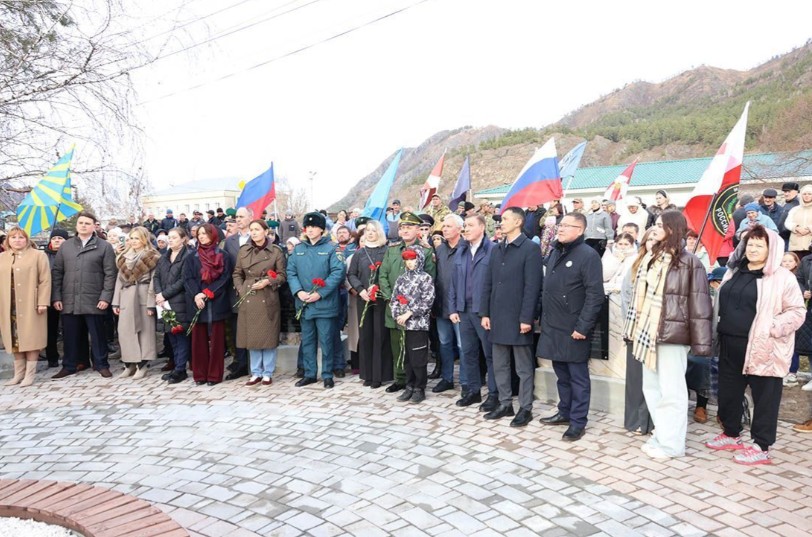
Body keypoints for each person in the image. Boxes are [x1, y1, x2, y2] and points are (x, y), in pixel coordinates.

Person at [706, 225, 804, 465]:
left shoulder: (783, 277)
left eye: (759, 245)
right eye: (750, 244)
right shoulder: (733, 271)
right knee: (729, 394)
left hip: (765, 348)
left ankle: (761, 446)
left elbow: (797, 311)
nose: (753, 249)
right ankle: (731, 434)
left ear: (771, 249)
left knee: (765, 399)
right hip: (730, 344)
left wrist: (773, 327)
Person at [624, 210, 712, 458]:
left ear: (673, 228)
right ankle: (661, 435)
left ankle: (672, 445)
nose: (655, 227)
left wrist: (702, 343)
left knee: (672, 391)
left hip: (673, 333)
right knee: (652, 388)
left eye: (661, 224)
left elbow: (701, 304)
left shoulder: (689, 261)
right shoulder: (652, 256)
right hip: (647, 333)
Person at [537, 212, 604, 441]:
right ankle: (564, 411)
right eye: (560, 224)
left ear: (581, 230)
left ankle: (578, 421)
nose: (561, 229)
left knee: (577, 377)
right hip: (553, 324)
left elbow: (595, 295)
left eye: (567, 225)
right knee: (562, 375)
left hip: (574, 327)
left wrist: (583, 326)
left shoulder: (588, 255)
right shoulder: (556, 250)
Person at [481, 207, 543, 427]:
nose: (501, 223)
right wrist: (485, 312)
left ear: (518, 222)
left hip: (518, 318)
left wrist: (527, 318)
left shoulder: (530, 249)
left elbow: (533, 286)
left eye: (505, 219)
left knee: (523, 368)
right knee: (500, 364)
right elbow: (488, 282)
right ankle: (505, 403)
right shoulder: (497, 249)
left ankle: (525, 408)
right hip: (497, 316)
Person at [52, 211, 117, 379]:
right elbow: (57, 272)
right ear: (76, 225)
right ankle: (70, 365)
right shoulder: (66, 246)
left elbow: (110, 274)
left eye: (87, 223)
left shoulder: (104, 246)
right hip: (69, 298)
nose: (83, 225)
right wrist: (57, 297)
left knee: (97, 335)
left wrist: (105, 297)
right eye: (81, 223)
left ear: (94, 226)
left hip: (94, 298)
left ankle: (101, 364)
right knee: (71, 335)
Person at [287, 211, 346, 389]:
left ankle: (327, 374)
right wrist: (298, 291)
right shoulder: (298, 249)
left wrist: (320, 293)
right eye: (308, 226)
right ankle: (309, 374)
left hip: (324, 303)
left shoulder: (331, 248)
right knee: (308, 339)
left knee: (327, 340)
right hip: (304, 303)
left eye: (314, 226)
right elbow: (291, 272)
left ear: (322, 229)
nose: (310, 229)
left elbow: (338, 273)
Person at [379, 211, 437, 393]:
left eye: (409, 227)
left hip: (415, 312)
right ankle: (401, 378)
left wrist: (410, 308)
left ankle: (417, 384)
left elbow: (430, 279)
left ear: (418, 229)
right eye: (402, 227)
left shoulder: (426, 251)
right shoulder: (392, 249)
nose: (405, 230)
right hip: (394, 307)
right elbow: (383, 276)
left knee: (416, 349)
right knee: (397, 345)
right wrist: (391, 299)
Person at [450, 214, 497, 409]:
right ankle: (473, 391)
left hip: (483, 312)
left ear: (482, 227)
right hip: (464, 311)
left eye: (470, 225)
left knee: (490, 354)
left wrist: (489, 312)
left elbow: (496, 284)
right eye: (464, 226)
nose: (465, 229)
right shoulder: (461, 251)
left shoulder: (493, 251)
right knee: (468, 352)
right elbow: (453, 283)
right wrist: (453, 308)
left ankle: (495, 394)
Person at [233, 219, 287, 387]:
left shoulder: (276, 251)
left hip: (267, 295)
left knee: (268, 336)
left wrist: (268, 281)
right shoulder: (244, 250)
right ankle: (255, 371)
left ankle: (267, 372)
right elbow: (237, 273)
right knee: (252, 336)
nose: (254, 232)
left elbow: (282, 275)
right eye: (252, 230)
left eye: (257, 229)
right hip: (249, 294)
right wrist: (242, 289)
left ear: (265, 231)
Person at [183, 223, 233, 386]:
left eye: (205, 233)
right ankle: (200, 374)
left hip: (216, 301)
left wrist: (208, 293)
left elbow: (224, 278)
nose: (202, 236)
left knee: (217, 341)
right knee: (198, 341)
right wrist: (197, 295)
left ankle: (214, 375)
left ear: (212, 235)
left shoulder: (222, 255)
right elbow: (188, 278)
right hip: (197, 302)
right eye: (199, 234)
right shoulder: (191, 256)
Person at [0, 227, 50, 387]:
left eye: (21, 237)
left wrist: (42, 301)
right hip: (8, 303)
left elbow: (45, 280)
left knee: (31, 337)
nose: (17, 240)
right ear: (8, 240)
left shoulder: (38, 256)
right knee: (14, 338)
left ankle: (30, 374)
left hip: (30, 303)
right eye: (13, 237)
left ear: (27, 239)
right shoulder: (3, 257)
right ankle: (18, 374)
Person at [621, 228, 658, 435]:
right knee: (635, 379)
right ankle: (635, 420)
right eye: (649, 238)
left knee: (653, 379)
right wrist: (631, 326)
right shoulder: (635, 265)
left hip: (655, 332)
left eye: (657, 237)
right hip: (635, 331)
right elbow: (626, 295)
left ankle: (651, 421)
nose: (653, 241)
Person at [347, 220, 392, 389]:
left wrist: (379, 287)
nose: (371, 233)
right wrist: (360, 290)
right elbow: (351, 274)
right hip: (364, 299)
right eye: (368, 231)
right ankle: (367, 373)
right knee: (365, 335)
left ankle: (380, 375)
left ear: (379, 232)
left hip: (380, 299)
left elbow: (389, 273)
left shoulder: (387, 251)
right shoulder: (360, 253)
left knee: (380, 335)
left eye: (374, 230)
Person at [112, 227, 161, 379]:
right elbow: (119, 281)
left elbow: (154, 280)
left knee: (144, 332)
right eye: (132, 238)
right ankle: (129, 364)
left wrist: (151, 303)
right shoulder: (122, 257)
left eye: (137, 238)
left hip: (143, 296)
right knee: (125, 332)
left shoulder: (152, 256)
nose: (134, 241)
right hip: (126, 296)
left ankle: (143, 364)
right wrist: (116, 303)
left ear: (144, 239)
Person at [390, 248, 435, 404]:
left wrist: (409, 313)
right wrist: (397, 315)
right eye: (407, 260)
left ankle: (419, 387)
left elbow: (427, 302)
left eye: (413, 259)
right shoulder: (401, 279)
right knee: (407, 357)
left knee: (418, 357)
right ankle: (409, 385)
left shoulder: (425, 278)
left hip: (418, 325)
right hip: (403, 325)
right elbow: (394, 298)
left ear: (419, 260)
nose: (410, 263)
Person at [154, 227, 192, 384]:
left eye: (174, 237)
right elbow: (156, 276)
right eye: (169, 237)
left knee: (180, 335)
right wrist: (158, 294)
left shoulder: (188, 256)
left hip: (180, 301)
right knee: (171, 336)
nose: (170, 240)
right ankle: (176, 366)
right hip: (163, 302)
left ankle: (181, 369)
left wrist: (164, 294)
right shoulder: (164, 257)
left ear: (183, 239)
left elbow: (183, 280)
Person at [433, 214, 465, 394]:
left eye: (448, 226)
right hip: (441, 304)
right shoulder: (439, 250)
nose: (444, 229)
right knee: (444, 343)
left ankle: (467, 381)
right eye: (443, 226)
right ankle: (447, 378)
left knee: (462, 345)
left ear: (459, 229)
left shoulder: (466, 248)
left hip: (460, 307)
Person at [223, 207, 253, 380]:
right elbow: (228, 265)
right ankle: (240, 363)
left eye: (242, 216)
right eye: (236, 217)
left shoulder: (257, 237)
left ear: (250, 217)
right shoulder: (230, 241)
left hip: (254, 290)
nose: (239, 219)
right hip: (234, 291)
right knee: (237, 329)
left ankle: (254, 363)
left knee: (253, 327)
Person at [44, 229, 68, 368]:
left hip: (66, 295)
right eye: (54, 238)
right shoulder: (44, 256)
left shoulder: (70, 253)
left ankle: (70, 355)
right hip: (49, 296)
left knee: (68, 328)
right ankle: (52, 357)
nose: (57, 240)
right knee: (50, 329)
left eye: (60, 237)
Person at [783, 184, 812, 259]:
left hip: (810, 244)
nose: (807, 196)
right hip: (796, 245)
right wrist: (796, 228)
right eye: (804, 194)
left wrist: (808, 229)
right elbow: (788, 222)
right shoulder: (795, 209)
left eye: (809, 194)